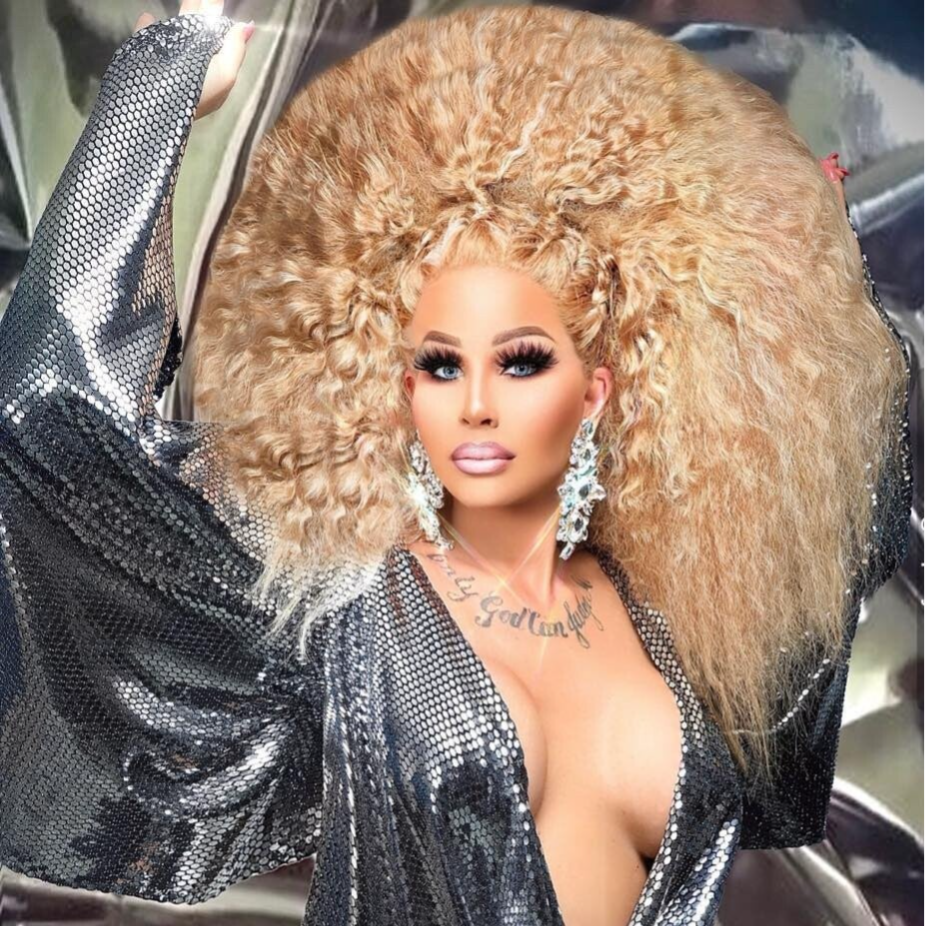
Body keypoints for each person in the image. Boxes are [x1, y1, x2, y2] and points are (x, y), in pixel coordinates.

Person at [0, 2, 913, 925]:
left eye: (521, 361)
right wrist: (157, 85)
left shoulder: (690, 623)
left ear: (597, 389)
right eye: (439, 364)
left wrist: (805, 270)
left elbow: (845, 492)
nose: (475, 401)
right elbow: (53, 429)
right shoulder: (339, 607)